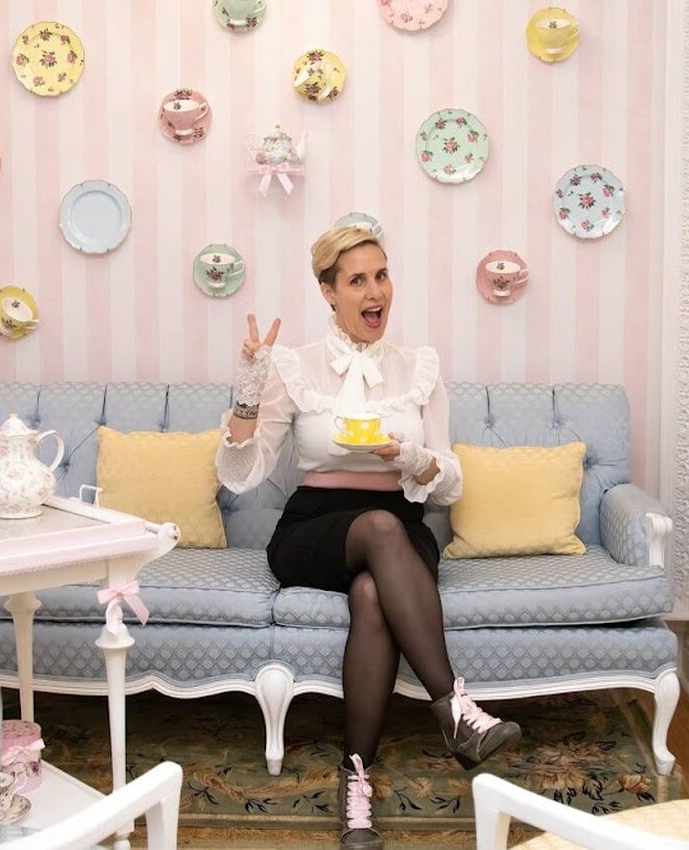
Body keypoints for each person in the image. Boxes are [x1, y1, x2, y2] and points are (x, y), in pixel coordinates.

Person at [216, 226, 520, 850]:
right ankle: (454, 707)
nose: (375, 291)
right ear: (328, 292)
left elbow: (449, 483)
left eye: (381, 275)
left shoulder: (419, 366)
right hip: (315, 526)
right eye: (357, 280)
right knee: (378, 530)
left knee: (374, 593)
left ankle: (356, 785)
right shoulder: (293, 365)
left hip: (402, 525)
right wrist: (249, 389)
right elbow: (243, 473)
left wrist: (412, 458)